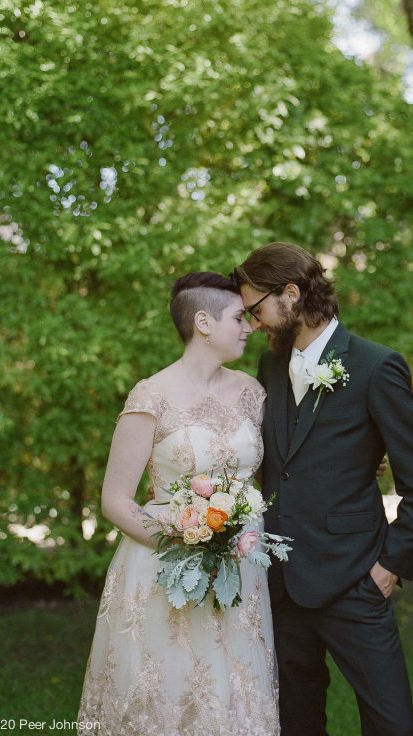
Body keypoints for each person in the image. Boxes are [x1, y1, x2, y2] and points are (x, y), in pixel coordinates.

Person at [234, 242, 413, 736]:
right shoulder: (269, 369)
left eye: (255, 309)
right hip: (283, 585)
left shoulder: (376, 365)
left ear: (290, 294)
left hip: (355, 580)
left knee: (393, 725)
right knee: (297, 723)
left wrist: (389, 567)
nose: (253, 323)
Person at [77, 272, 279, 736]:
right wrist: (186, 544)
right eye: (238, 318)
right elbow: (115, 500)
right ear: (203, 322)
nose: (249, 327)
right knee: (167, 698)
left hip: (240, 570)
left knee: (236, 698)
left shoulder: (252, 392)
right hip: (162, 569)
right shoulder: (151, 396)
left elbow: (267, 480)